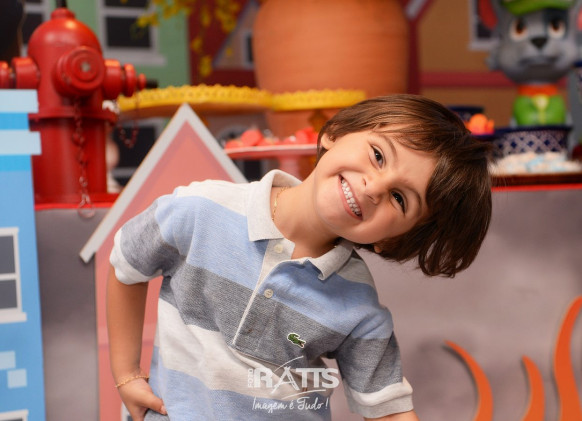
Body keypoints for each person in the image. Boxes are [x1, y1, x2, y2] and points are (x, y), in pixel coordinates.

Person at [107, 94, 492, 421]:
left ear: (394, 240)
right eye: (377, 155)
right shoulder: (200, 209)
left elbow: (387, 408)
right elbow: (127, 262)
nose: (374, 187)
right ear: (334, 133)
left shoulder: (358, 303)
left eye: (399, 199)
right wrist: (126, 375)